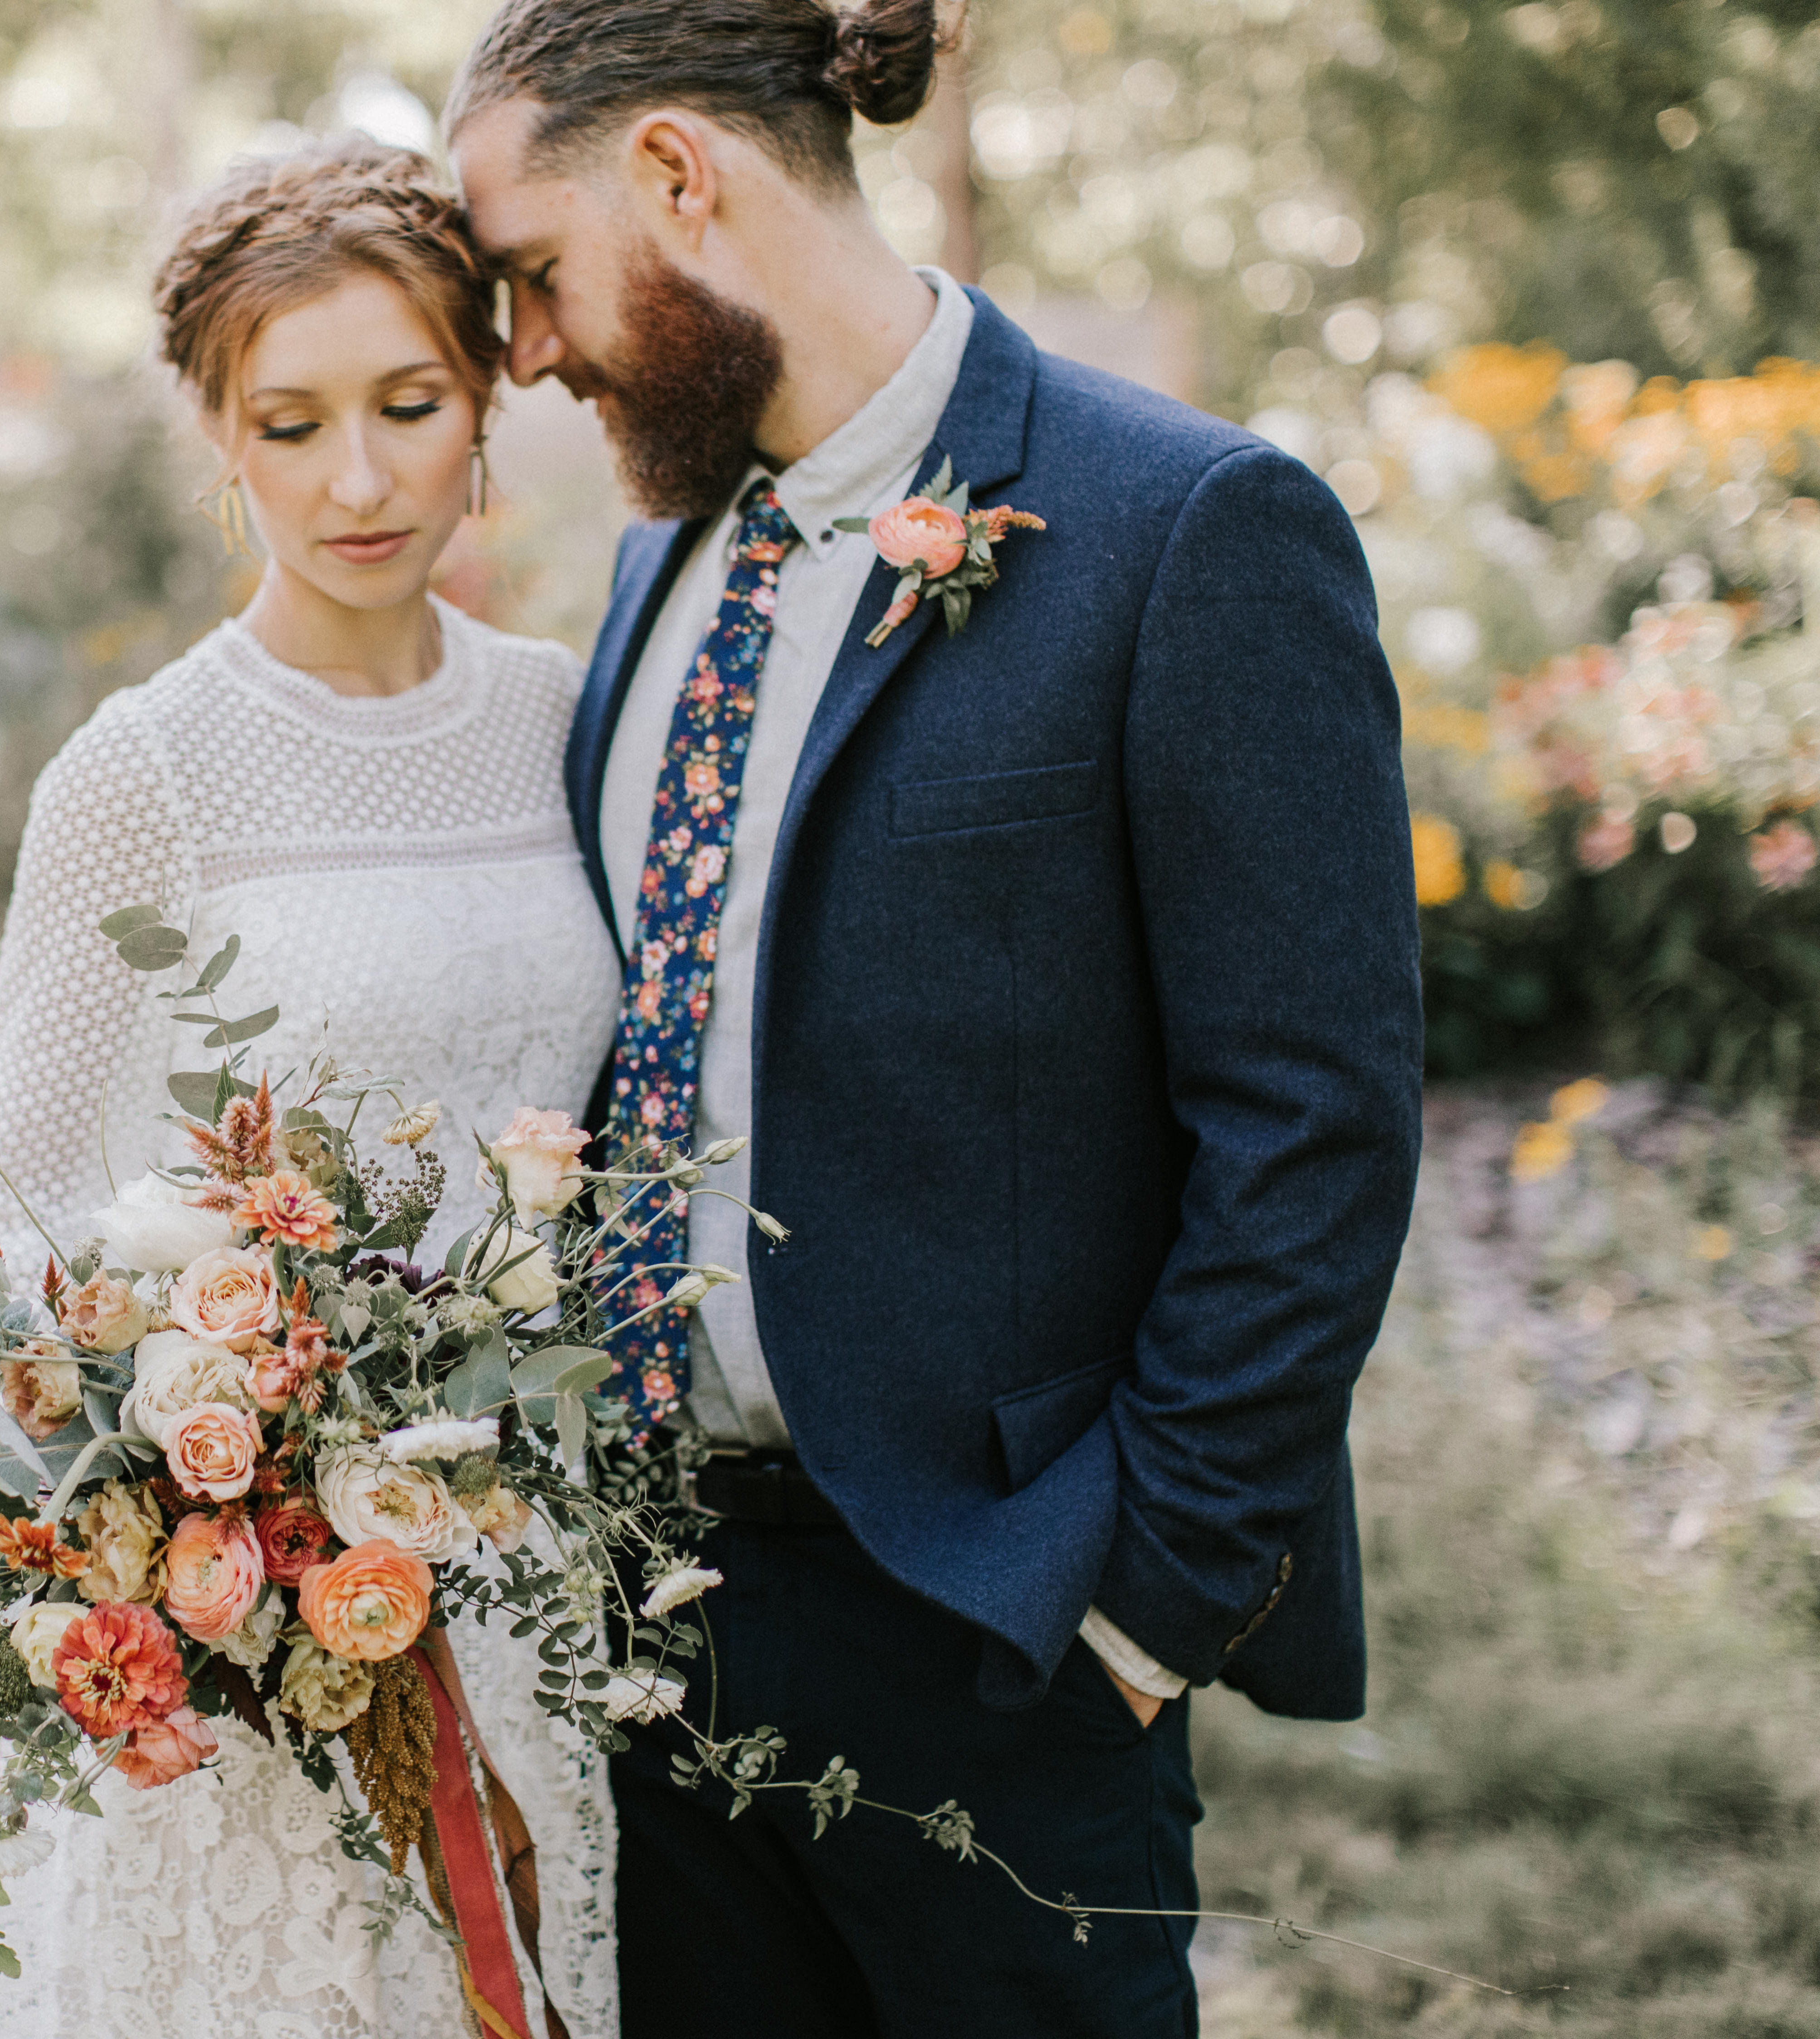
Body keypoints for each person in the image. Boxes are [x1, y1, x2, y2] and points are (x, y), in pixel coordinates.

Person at [441, 1, 1425, 2032]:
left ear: (680, 178)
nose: (522, 351)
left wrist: (1141, 1603)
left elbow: (1313, 1124)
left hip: (1001, 1639)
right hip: (655, 1650)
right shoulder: (659, 568)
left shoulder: (1191, 528)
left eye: (533, 275)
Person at [0, 137, 622, 2039]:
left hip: (542, 1589)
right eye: (294, 420)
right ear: (219, 437)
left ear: (484, 397)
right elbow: (0, 1235)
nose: (358, 479)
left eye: (409, 407)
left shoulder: (561, 719)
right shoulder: (143, 774)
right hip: (265, 1632)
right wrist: (216, 1445)